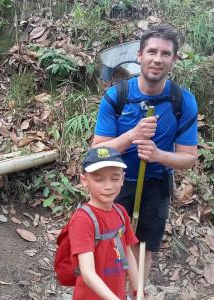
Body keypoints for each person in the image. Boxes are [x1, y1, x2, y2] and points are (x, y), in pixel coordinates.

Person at [92, 25, 198, 285]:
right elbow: (97, 153)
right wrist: (133, 136)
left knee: (141, 249)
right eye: (152, 51)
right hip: (113, 184)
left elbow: (188, 158)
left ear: (173, 60)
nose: (157, 59)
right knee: (108, 247)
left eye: (165, 53)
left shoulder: (181, 101)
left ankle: (137, 294)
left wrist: (158, 155)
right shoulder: (118, 96)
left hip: (155, 186)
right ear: (140, 56)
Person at [68, 147, 140, 300]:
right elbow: (87, 274)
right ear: (84, 180)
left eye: (114, 178)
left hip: (117, 293)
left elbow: (128, 255)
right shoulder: (83, 219)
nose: (108, 186)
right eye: (99, 179)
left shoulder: (120, 212)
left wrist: (138, 290)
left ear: (122, 179)